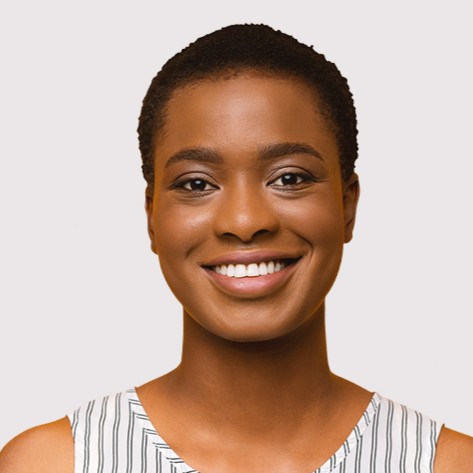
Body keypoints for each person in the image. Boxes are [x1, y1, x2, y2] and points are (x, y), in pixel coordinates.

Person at [1, 23, 472, 473]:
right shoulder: (55, 463)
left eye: (290, 178)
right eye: (196, 184)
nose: (245, 222)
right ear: (152, 216)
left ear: (347, 205)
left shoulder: (447, 464)